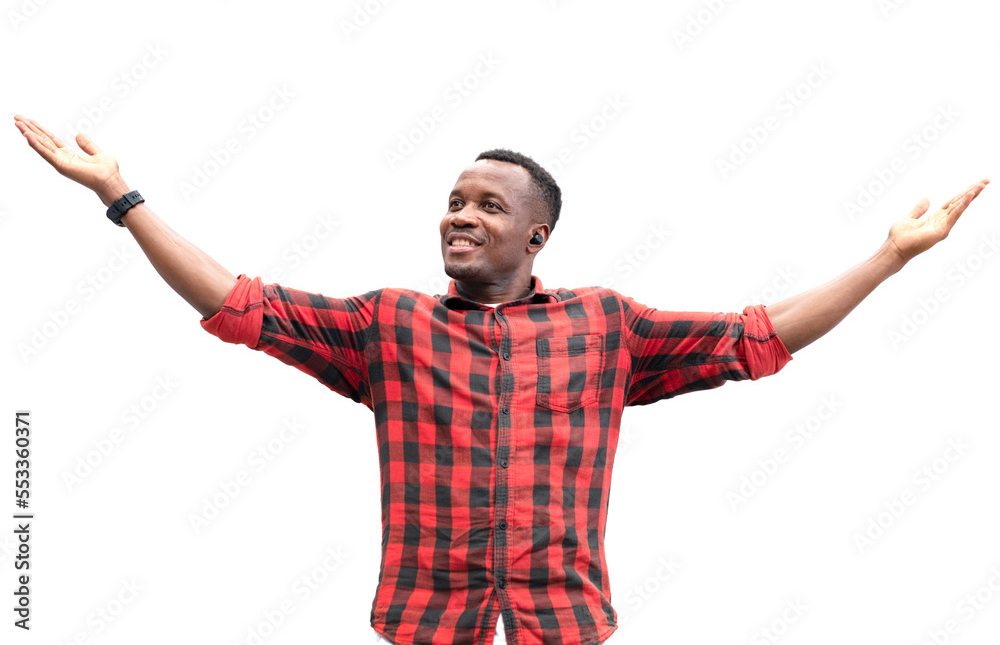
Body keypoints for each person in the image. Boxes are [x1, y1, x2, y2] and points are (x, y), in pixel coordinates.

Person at [13, 113, 989, 645]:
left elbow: (756, 338)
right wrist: (120, 195)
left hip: (563, 625)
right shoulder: (386, 326)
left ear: (536, 234)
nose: (460, 215)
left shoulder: (604, 326)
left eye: (487, 204)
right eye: (452, 200)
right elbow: (238, 304)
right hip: (424, 627)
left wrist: (890, 255)